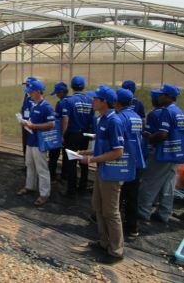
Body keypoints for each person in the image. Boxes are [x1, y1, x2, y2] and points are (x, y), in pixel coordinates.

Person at [79, 85, 127, 264]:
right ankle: (103, 241)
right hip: (102, 170)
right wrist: (87, 153)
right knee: (98, 206)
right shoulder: (102, 119)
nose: (92, 101)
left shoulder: (114, 121)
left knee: (111, 212)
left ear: (104, 102)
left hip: (111, 174)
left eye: (95, 99)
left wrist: (91, 161)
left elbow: (118, 152)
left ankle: (116, 250)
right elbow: (102, 146)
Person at [138, 84, 183, 223]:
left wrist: (149, 138)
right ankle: (164, 213)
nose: (159, 96)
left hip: (163, 153)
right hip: (175, 153)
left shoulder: (166, 112)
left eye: (162, 95)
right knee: (168, 183)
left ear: (168, 97)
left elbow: (163, 133)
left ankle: (142, 212)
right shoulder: (179, 111)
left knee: (149, 181)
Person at [17, 80, 55, 206]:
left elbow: (51, 124)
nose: (29, 94)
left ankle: (44, 194)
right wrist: (25, 122)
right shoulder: (34, 105)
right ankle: (29, 186)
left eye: (31, 92)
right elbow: (31, 121)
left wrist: (34, 126)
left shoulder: (46, 106)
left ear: (38, 92)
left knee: (42, 168)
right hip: (31, 140)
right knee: (29, 164)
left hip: (39, 143)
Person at [115, 88, 146, 237]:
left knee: (118, 195)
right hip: (136, 159)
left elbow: (118, 142)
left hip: (123, 161)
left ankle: (115, 227)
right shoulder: (136, 117)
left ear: (116, 101)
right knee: (132, 195)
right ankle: (133, 227)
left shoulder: (119, 118)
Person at [62, 75, 95, 197]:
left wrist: (63, 135)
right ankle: (82, 187)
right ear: (84, 86)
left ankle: (71, 191)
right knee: (83, 160)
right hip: (85, 135)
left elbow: (66, 119)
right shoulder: (90, 101)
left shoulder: (68, 100)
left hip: (72, 134)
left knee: (72, 162)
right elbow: (92, 119)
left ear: (71, 86)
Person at [48, 81, 69, 182]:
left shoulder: (61, 103)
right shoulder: (70, 101)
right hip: (70, 134)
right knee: (66, 156)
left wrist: (62, 135)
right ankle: (64, 175)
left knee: (53, 155)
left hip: (60, 132)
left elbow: (61, 119)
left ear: (62, 92)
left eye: (57, 93)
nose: (56, 95)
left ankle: (52, 175)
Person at [20, 77, 36, 171]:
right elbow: (24, 108)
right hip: (25, 123)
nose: (26, 86)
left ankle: (31, 166)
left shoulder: (34, 97)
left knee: (31, 145)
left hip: (31, 125)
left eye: (27, 85)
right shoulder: (26, 95)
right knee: (25, 144)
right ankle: (26, 164)